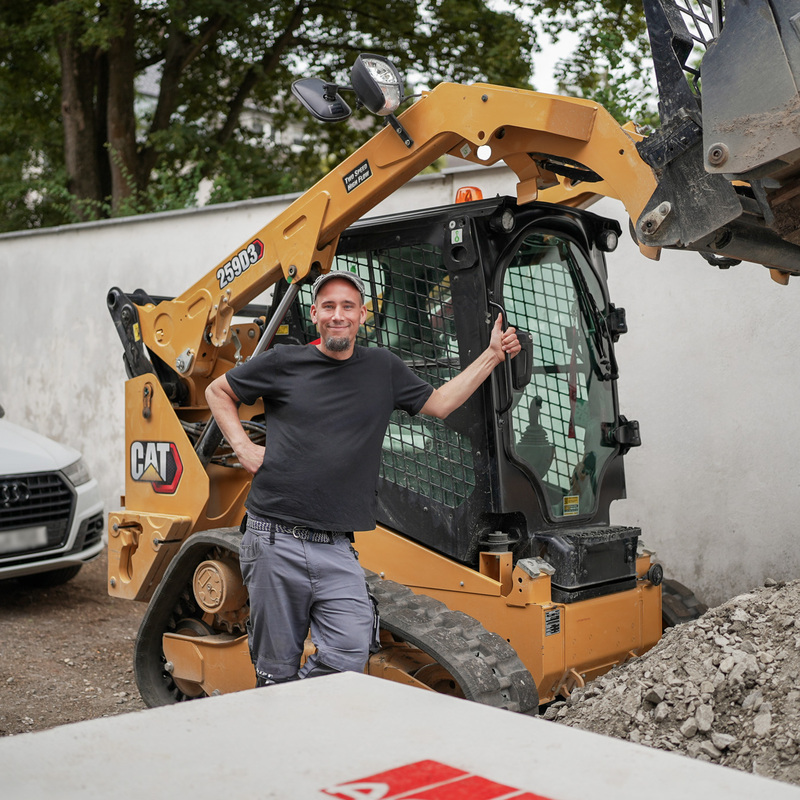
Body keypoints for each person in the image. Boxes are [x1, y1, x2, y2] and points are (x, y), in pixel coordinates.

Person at [205, 270, 520, 687]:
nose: (338, 315)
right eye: (329, 306)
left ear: (362, 315)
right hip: (274, 539)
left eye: (348, 306)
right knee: (275, 670)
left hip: (335, 547)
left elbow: (442, 403)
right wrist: (243, 447)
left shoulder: (382, 368)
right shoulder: (283, 362)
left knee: (350, 651)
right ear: (315, 314)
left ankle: (294, 704)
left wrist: (493, 355)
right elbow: (217, 391)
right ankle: (283, 712)